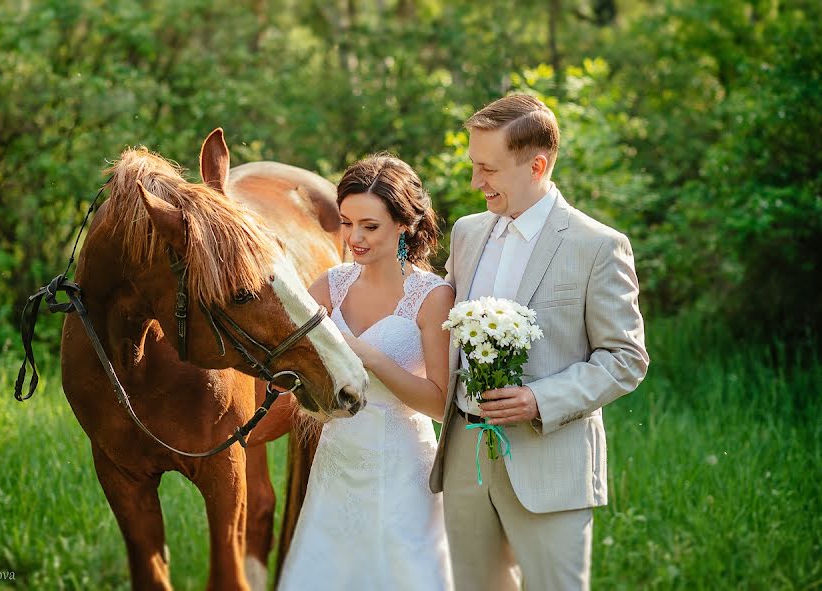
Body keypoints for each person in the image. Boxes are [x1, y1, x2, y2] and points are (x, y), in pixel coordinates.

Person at [429, 94, 649, 590]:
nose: (474, 182)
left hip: (550, 462)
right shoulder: (467, 233)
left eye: (487, 169)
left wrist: (537, 400)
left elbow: (625, 359)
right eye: (473, 165)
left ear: (537, 165)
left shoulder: (597, 246)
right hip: (465, 456)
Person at [278, 154, 455, 591]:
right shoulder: (329, 287)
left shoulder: (432, 298)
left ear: (404, 225)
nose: (354, 238)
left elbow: (439, 404)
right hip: (336, 464)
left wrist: (371, 358)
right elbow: (287, 361)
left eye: (369, 226)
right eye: (346, 222)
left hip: (401, 468)